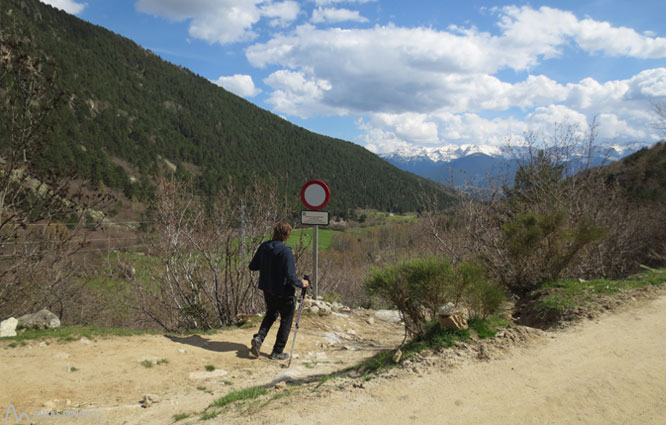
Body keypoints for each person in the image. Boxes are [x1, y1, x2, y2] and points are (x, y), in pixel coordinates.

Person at [249, 221, 309, 360]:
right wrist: (302, 283)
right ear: (287, 234)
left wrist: (267, 265)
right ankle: (277, 351)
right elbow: (290, 276)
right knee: (286, 320)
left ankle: (259, 338)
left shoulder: (264, 247)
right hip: (284, 291)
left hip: (268, 289)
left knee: (271, 313)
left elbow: (253, 266)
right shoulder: (286, 251)